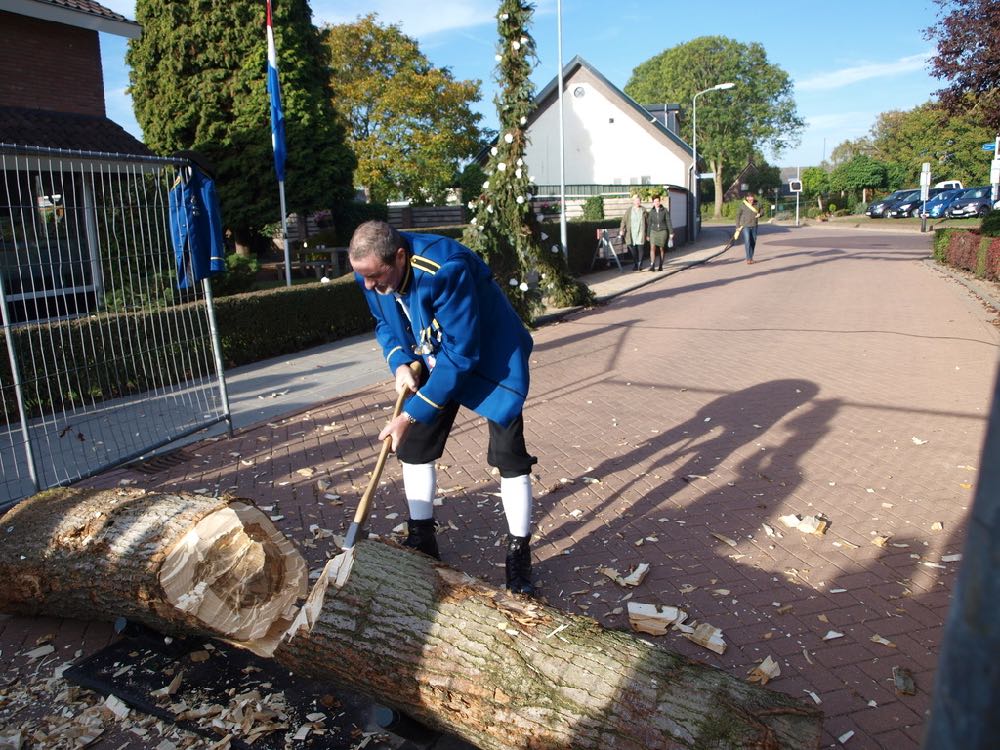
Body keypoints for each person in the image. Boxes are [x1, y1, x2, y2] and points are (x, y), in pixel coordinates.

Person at [348, 220, 538, 595]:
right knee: (414, 447)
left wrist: (408, 414)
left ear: (399, 256)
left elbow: (463, 354)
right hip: (438, 356)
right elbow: (384, 323)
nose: (368, 286)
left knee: (508, 456)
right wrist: (399, 360)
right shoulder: (369, 273)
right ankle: (423, 541)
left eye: (375, 277)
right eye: (363, 278)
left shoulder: (446, 269)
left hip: (492, 360)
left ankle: (519, 552)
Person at [619, 195, 648, 271]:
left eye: (639, 201)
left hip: (641, 232)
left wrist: (648, 233)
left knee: (640, 249)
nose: (638, 202)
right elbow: (623, 220)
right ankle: (636, 264)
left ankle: (640, 265)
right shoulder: (629, 210)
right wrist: (622, 229)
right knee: (633, 250)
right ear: (633, 202)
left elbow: (647, 222)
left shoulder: (643, 210)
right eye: (636, 201)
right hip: (631, 233)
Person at [647, 194, 674, 272]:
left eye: (658, 201)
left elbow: (668, 221)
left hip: (662, 231)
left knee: (661, 248)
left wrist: (671, 232)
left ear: (660, 201)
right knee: (652, 248)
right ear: (653, 202)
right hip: (653, 231)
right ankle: (652, 265)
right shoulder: (651, 212)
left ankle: (661, 265)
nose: (656, 203)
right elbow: (649, 224)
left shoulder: (664, 210)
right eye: (655, 201)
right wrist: (648, 234)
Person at [734, 193, 760, 264]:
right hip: (745, 226)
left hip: (754, 225)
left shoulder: (757, 204)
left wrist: (760, 214)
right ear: (747, 198)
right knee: (747, 241)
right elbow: (737, 216)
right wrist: (737, 226)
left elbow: (762, 211)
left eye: (752, 197)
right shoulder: (743, 205)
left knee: (753, 242)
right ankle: (748, 259)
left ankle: (751, 258)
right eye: (750, 198)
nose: (751, 199)